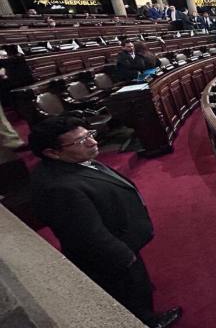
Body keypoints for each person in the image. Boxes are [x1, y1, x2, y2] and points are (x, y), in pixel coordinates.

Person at [29, 116, 182, 328]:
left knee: (137, 286)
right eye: (80, 141)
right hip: (113, 255)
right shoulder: (60, 188)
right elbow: (88, 236)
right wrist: (125, 257)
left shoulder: (70, 163)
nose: (93, 142)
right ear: (52, 152)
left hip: (121, 237)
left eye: (89, 135)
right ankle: (148, 321)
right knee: (130, 294)